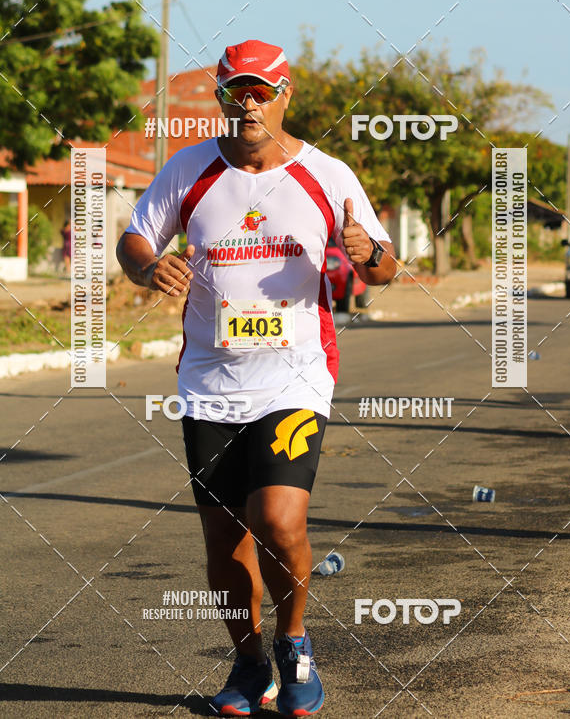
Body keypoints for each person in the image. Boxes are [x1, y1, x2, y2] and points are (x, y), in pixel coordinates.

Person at [116, 39, 396, 717]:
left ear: (284, 95)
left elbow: (384, 263)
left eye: (261, 91)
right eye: (236, 91)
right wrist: (147, 267)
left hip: (296, 376)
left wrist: (370, 254)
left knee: (276, 517)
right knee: (223, 536)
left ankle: (294, 642)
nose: (249, 103)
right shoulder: (188, 170)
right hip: (211, 379)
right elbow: (134, 240)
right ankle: (248, 665)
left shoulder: (327, 175)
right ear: (219, 96)